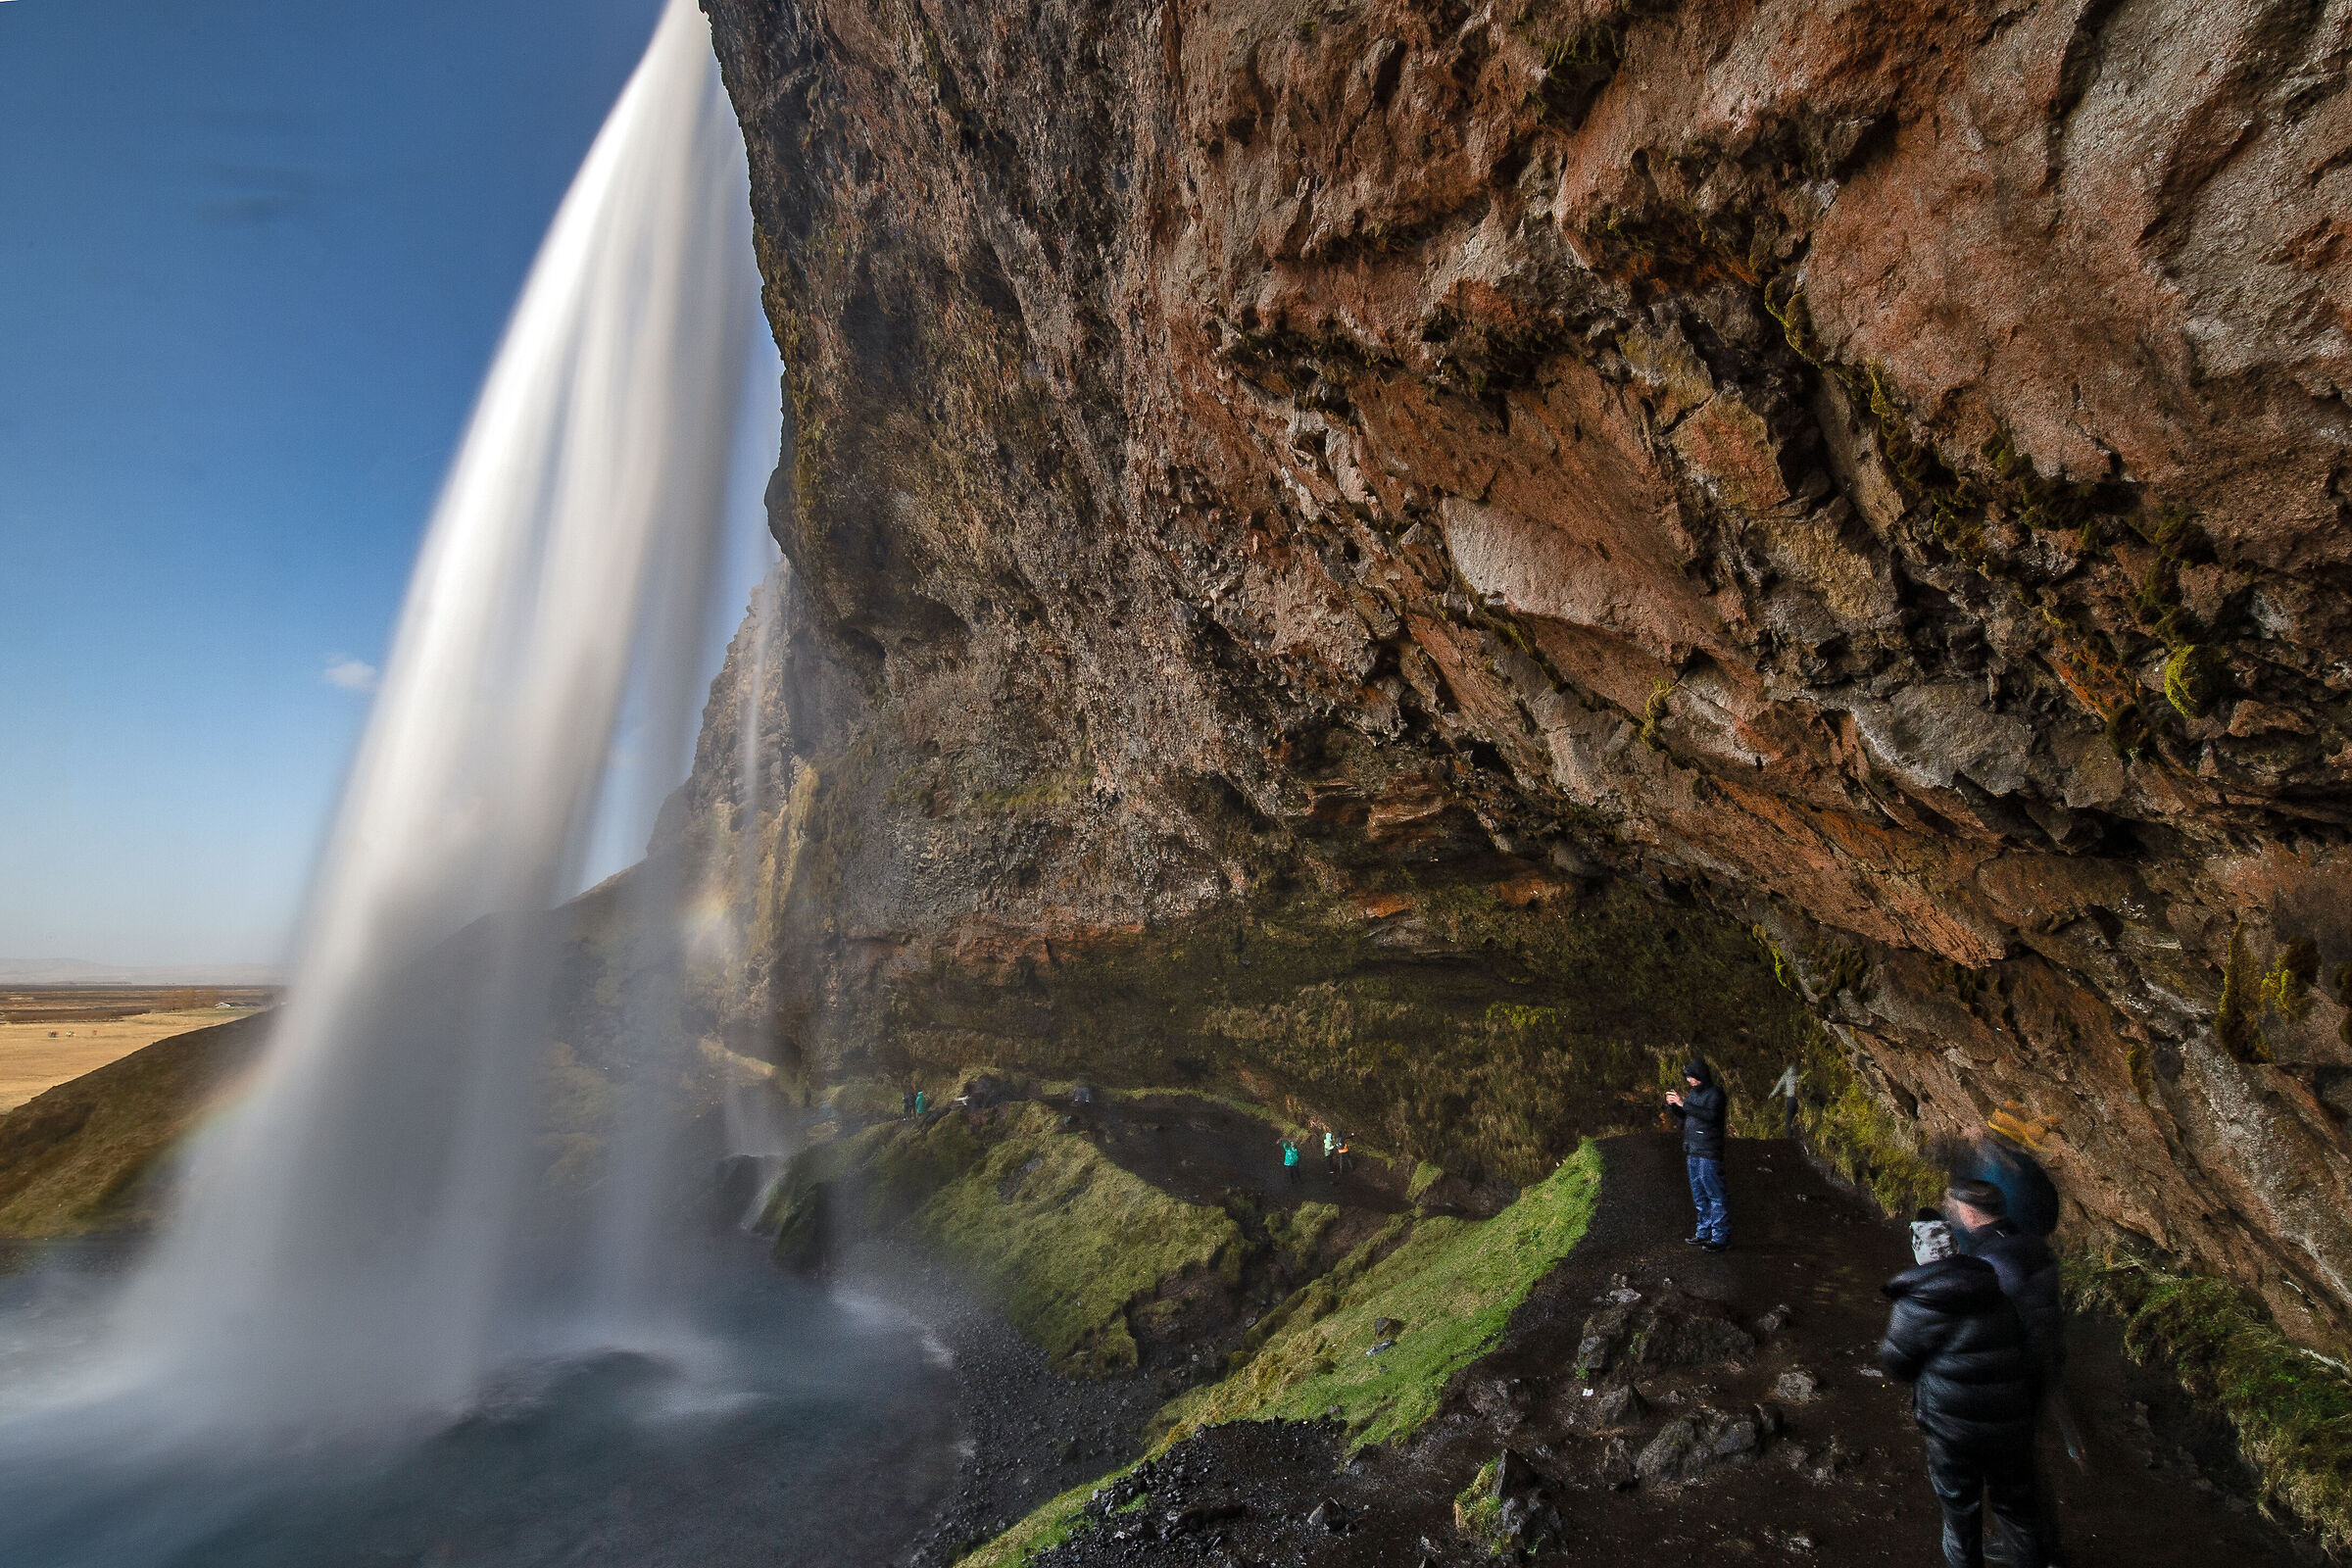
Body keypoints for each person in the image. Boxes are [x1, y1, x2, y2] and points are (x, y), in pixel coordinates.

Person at [1880, 1215, 2048, 1568]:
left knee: (1960, 1518)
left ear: (1919, 1254)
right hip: (2010, 1423)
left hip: (1952, 1431)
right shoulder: (1995, 1290)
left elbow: (1896, 1365)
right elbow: (2025, 1350)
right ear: (1956, 1250)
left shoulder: (1914, 1305)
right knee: (2017, 1512)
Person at [1665, 1057, 1729, 1250]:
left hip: (1708, 1152)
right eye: (1688, 1078)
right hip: (1692, 1151)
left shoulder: (1715, 1094)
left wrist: (1683, 1103)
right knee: (1699, 1195)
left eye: (1692, 1078)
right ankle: (1703, 1232)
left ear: (1701, 1076)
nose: (1689, 1081)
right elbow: (1685, 1115)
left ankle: (1720, 1237)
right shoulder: (1694, 1095)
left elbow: (1710, 1115)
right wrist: (1674, 1105)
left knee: (1715, 1195)